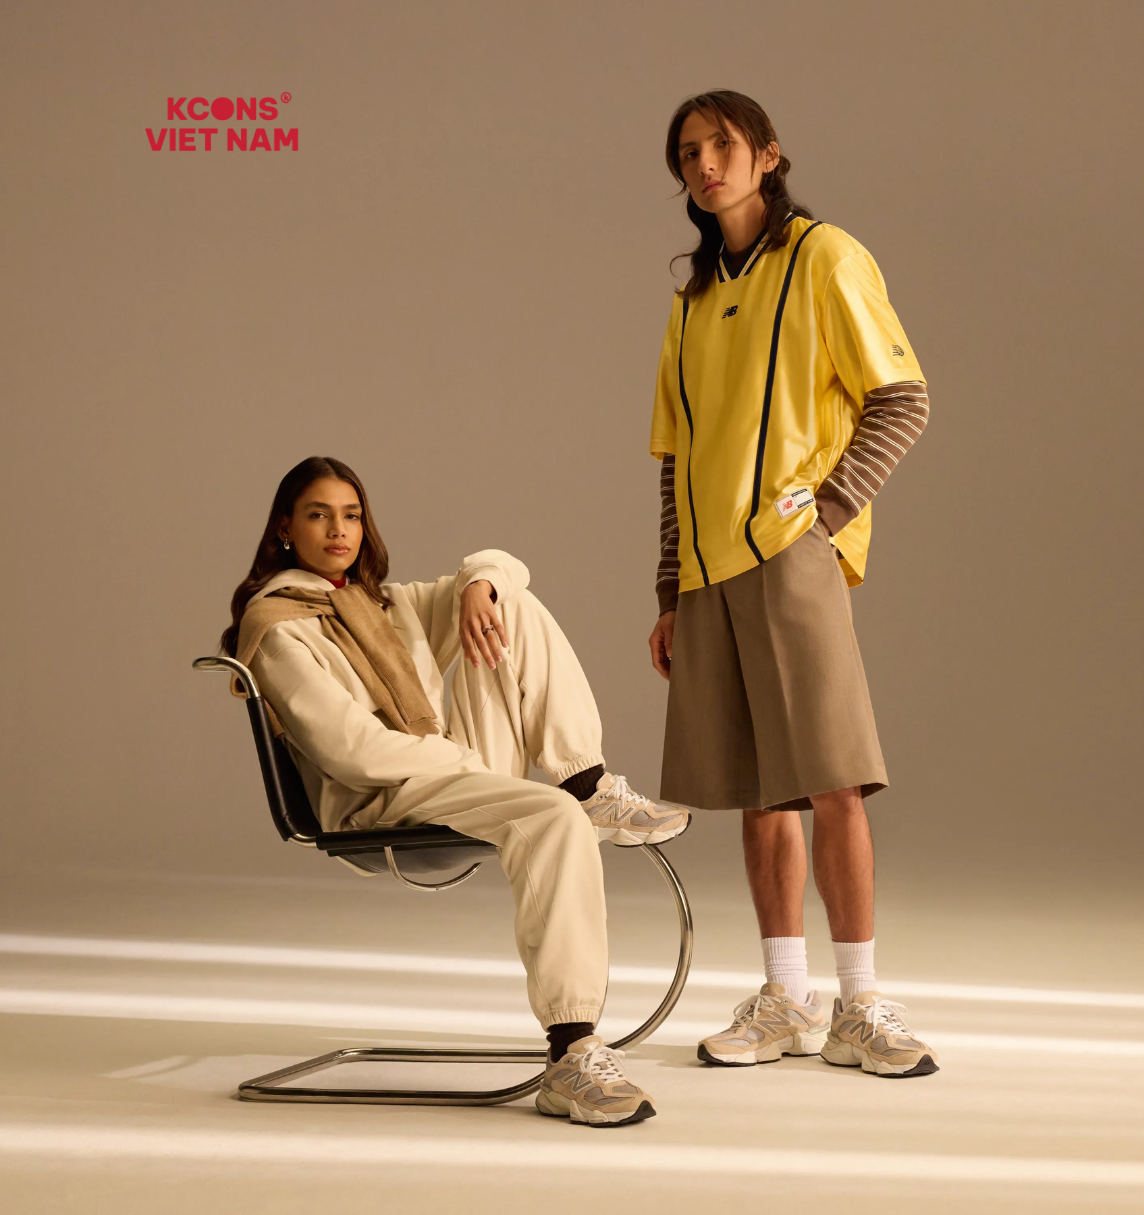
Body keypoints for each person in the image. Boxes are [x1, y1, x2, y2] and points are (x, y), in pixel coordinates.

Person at [222, 455, 688, 1123]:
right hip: (380, 798)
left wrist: (479, 586)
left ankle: (588, 781)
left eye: (351, 515)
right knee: (554, 818)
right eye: (318, 515)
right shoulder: (276, 625)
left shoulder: (382, 604)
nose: (338, 530)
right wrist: (460, 762)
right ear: (284, 529)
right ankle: (571, 1052)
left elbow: (505, 566)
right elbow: (349, 751)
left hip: (445, 772)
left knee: (507, 603)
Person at [647, 91, 939, 1077]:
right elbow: (675, 458)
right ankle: (785, 999)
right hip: (707, 575)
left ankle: (860, 1003)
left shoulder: (825, 258)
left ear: (768, 154)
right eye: (687, 152)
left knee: (831, 778)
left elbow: (902, 397)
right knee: (757, 792)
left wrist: (827, 512)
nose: (704, 165)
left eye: (721, 145)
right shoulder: (691, 301)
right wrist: (668, 590)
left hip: (789, 554)